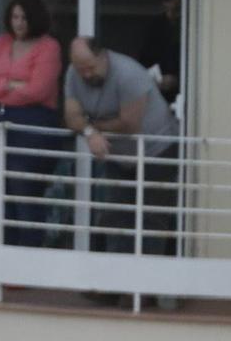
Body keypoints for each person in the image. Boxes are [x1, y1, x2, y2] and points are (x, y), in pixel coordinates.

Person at [63, 35, 182, 266]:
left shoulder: (128, 73)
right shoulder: (73, 73)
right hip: (118, 154)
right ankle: (113, 282)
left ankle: (144, 287)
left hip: (158, 149)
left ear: (103, 56)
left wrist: (91, 126)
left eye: (90, 68)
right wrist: (89, 133)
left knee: (151, 219)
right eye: (80, 69)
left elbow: (129, 124)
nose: (86, 75)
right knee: (115, 216)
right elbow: (71, 117)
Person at [0, 0, 64, 247]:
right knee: (4, 194)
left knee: (25, 194)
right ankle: (6, 259)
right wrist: (11, 84)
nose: (18, 23)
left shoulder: (49, 46)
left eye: (23, 17)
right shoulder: (2, 42)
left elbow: (39, 90)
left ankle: (28, 261)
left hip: (33, 125)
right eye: (14, 17)